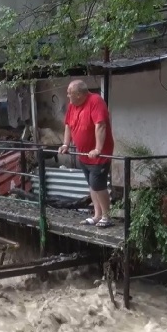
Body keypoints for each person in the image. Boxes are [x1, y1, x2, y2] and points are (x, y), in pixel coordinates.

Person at [58, 80, 114, 228]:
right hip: (83, 154)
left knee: (98, 184)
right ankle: (97, 215)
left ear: (78, 94)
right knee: (91, 185)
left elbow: (100, 125)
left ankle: (107, 216)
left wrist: (98, 149)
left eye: (70, 93)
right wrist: (66, 144)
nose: (67, 95)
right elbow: (68, 125)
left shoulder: (95, 101)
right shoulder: (72, 105)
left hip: (97, 155)